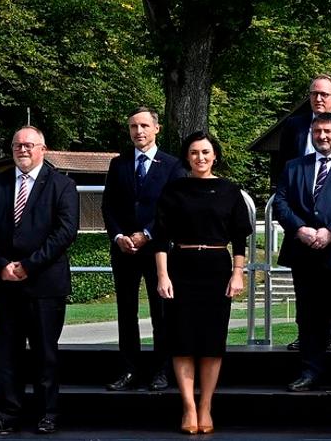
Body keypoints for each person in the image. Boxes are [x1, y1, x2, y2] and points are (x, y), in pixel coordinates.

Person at [0, 127, 79, 437]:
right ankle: (8, 414)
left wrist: (29, 266)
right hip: (5, 282)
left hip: (45, 284)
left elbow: (65, 232)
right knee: (7, 354)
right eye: (17, 145)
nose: (23, 150)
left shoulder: (62, 185)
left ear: (43, 149)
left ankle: (47, 414)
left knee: (45, 353)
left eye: (29, 145)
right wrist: (1, 264)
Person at [151, 131, 253, 434]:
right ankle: (188, 407)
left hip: (217, 269)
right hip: (181, 267)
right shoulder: (174, 190)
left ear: (215, 155)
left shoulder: (229, 190)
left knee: (211, 343)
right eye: (194, 152)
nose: (200, 157)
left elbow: (239, 238)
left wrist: (238, 273)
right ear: (187, 156)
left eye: (206, 152)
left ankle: (206, 405)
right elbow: (161, 237)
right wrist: (162, 275)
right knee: (182, 341)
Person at [103, 106, 186, 392]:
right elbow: (108, 206)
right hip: (124, 250)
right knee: (126, 312)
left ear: (156, 128)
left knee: (161, 312)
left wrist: (148, 234)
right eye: (133, 126)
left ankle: (162, 370)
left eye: (144, 126)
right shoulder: (118, 164)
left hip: (157, 250)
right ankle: (129, 369)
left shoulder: (173, 165)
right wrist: (118, 236)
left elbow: (173, 207)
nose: (138, 131)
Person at [273, 114, 331, 393]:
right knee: (309, 317)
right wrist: (299, 229)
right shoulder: (295, 166)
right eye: (317, 131)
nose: (322, 136)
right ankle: (310, 370)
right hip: (304, 253)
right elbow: (281, 202)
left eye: (328, 131)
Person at [272, 74, 331, 190]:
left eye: (324, 94)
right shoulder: (293, 125)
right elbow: (282, 164)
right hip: (298, 192)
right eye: (314, 94)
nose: (318, 99)